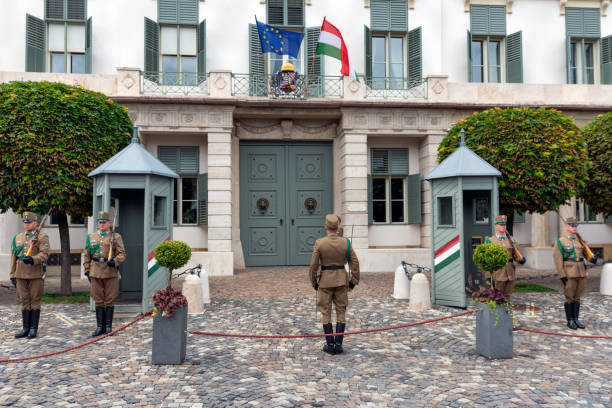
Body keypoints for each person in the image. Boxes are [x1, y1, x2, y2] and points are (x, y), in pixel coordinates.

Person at [309, 214, 359, 355]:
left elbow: (313, 266)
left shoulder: (320, 243)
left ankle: (330, 345)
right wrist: (353, 281)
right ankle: (339, 344)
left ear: (326, 227)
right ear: (338, 227)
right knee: (341, 311)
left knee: (326, 312)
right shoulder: (346, 242)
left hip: (325, 282)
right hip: (342, 281)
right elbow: (355, 263)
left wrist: (314, 282)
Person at [83, 211, 126, 337]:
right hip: (95, 271)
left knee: (110, 299)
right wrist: (87, 270)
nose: (101, 224)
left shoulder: (116, 236)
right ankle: (100, 327)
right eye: (100, 222)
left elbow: (122, 253)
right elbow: (87, 255)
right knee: (98, 300)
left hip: (110, 271)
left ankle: (108, 326)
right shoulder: (91, 237)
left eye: (104, 222)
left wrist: (115, 261)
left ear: (109, 223)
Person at [9, 212, 49, 339]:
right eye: (25, 222)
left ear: (35, 223)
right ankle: (25, 328)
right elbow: (14, 257)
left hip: (35, 274)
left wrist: (33, 259)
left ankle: (33, 329)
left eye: (29, 222)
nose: (26, 225)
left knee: (34, 301)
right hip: (20, 273)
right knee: (24, 301)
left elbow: (44, 254)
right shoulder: (18, 238)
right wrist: (12, 274)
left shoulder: (42, 237)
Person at [553, 216, 592, 330]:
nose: (574, 228)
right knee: (569, 297)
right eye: (572, 226)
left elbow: (585, 255)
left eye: (575, 226)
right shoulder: (561, 241)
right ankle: (570, 320)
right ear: (566, 227)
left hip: (581, 272)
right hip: (569, 272)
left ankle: (576, 319)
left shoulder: (580, 241)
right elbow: (557, 259)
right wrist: (562, 275)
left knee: (578, 296)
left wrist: (591, 259)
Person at [485, 215, 517, 297]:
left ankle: (506, 309)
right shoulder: (490, 240)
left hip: (510, 271)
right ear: (496, 226)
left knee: (508, 294)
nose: (503, 226)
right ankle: (498, 309)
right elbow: (487, 259)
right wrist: (488, 276)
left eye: (504, 224)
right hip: (498, 272)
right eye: (501, 224)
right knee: (497, 295)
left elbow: (515, 255)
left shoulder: (511, 240)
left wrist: (520, 259)